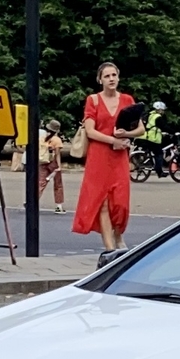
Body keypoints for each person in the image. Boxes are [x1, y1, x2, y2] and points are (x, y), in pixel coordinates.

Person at [74, 61, 138, 256]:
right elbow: (91, 131)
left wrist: (126, 134)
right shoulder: (93, 100)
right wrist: (112, 140)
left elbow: (141, 129)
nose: (111, 79)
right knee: (101, 201)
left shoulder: (127, 100)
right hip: (99, 156)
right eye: (107, 76)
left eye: (114, 75)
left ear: (118, 77)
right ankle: (110, 249)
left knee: (120, 202)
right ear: (100, 79)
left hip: (119, 157)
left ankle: (118, 235)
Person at [35, 118, 68, 214]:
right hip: (53, 163)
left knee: (40, 183)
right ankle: (59, 206)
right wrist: (59, 166)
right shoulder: (57, 140)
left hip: (42, 161)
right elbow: (57, 154)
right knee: (58, 184)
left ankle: (31, 201)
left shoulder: (42, 137)